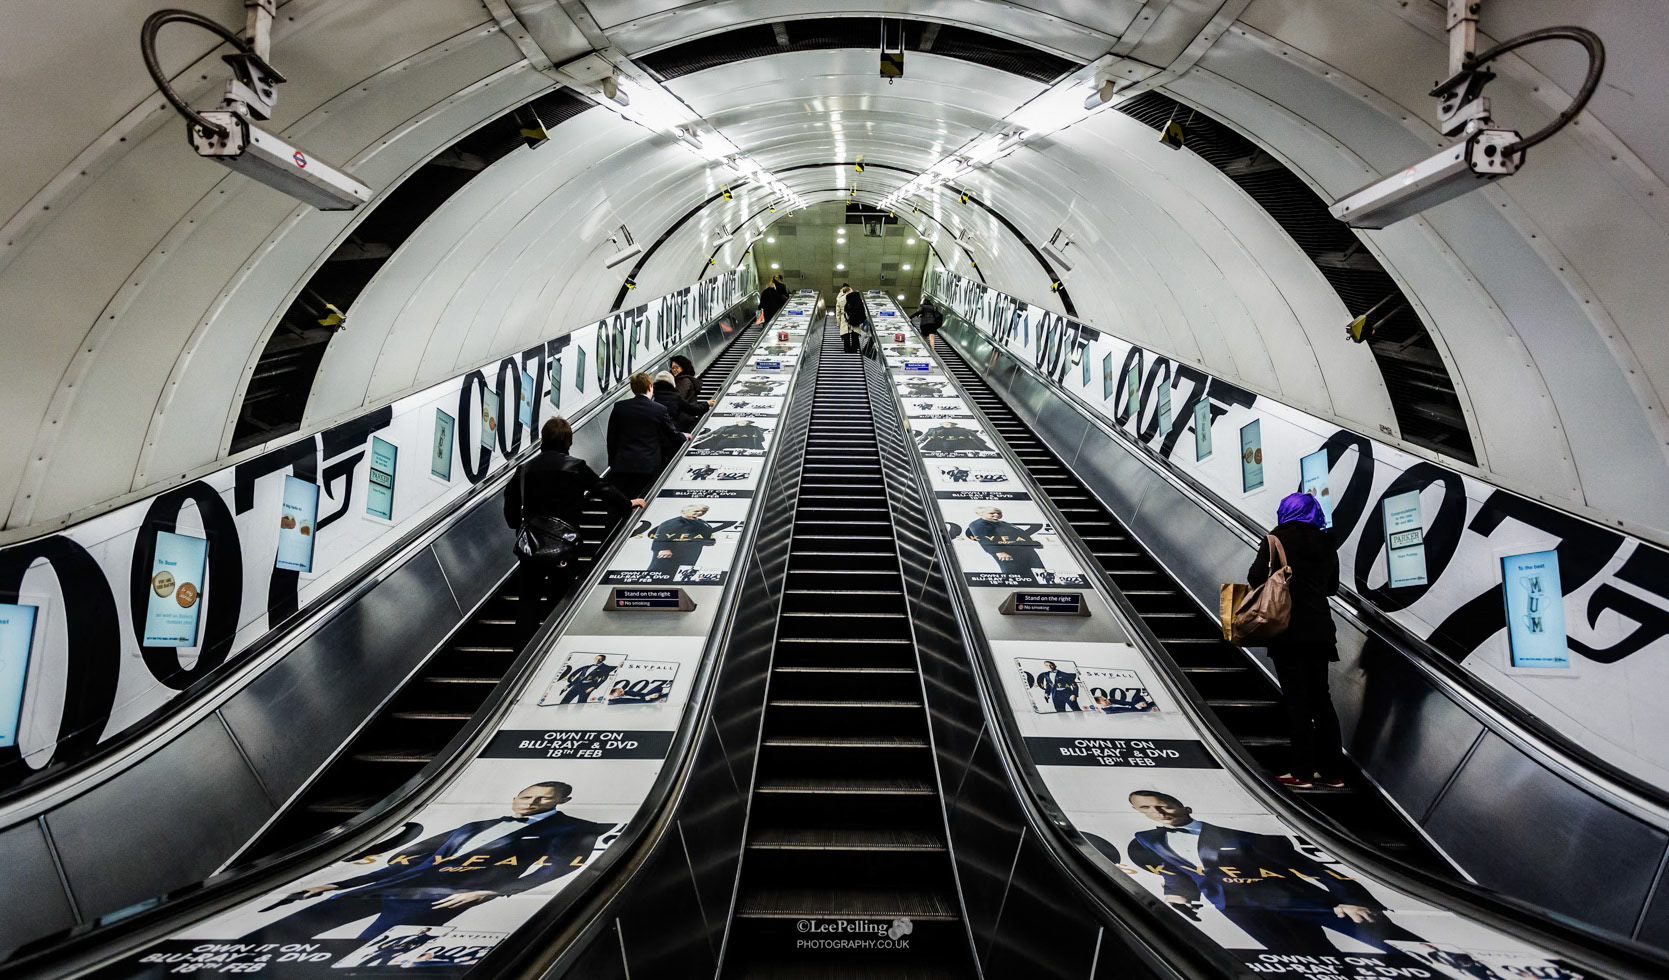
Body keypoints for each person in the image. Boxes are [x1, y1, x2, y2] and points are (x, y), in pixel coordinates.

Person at [250, 782, 610, 942]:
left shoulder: (573, 828)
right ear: (516, 796)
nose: (531, 804)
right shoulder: (475, 825)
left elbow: (560, 866)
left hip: (443, 895)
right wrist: (339, 883)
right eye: (527, 797)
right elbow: (410, 859)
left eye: (542, 800)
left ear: (560, 801)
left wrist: (494, 891)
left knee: (368, 951)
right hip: (386, 886)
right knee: (281, 933)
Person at [1126, 790, 1424, 958]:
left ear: (1184, 805)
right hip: (1238, 909)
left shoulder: (1242, 835)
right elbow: (1178, 869)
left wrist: (1352, 898)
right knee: (1308, 961)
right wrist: (1177, 895)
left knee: (1404, 948)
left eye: (1164, 804)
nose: (1159, 811)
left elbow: (1311, 867)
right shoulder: (1147, 838)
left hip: (1298, 899)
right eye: (1148, 808)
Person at [505, 417, 642, 632]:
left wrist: (517, 525)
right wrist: (627, 503)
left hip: (531, 547)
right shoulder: (575, 467)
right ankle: (553, 643)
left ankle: (522, 651)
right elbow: (602, 489)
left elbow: (511, 507)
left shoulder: (524, 469)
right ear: (568, 441)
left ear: (543, 439)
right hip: (564, 546)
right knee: (560, 598)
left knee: (528, 602)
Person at [1248, 492, 1345, 790]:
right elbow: (1332, 586)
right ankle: (1332, 773)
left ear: (1284, 511)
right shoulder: (1327, 542)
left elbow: (1255, 577)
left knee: (1297, 701)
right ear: (1313, 512)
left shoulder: (1275, 540)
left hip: (1287, 630)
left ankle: (1301, 773)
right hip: (1320, 632)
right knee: (1322, 701)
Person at [607, 372, 688, 498]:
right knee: (642, 499)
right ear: (651, 386)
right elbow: (672, 434)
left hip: (622, 465)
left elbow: (611, 438)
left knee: (620, 501)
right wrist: (684, 436)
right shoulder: (659, 409)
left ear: (633, 389)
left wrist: (613, 462)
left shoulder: (620, 407)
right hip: (647, 466)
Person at [966, 505, 1045, 577]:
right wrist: (999, 552)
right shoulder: (978, 524)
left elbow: (1019, 534)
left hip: (1026, 552)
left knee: (1040, 574)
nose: (996, 515)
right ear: (981, 514)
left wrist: (1032, 543)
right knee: (1015, 575)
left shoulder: (1003, 523)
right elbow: (984, 538)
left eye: (999, 513)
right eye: (992, 513)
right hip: (1008, 553)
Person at [647, 502, 717, 574]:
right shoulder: (673, 523)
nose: (700, 513)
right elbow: (661, 535)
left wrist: (709, 540)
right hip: (671, 552)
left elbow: (707, 533)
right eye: (696, 511)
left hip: (691, 551)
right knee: (662, 569)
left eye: (703, 511)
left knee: (683, 569)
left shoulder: (702, 523)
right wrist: (663, 548)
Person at [669, 355, 714, 419]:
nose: (674, 370)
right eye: (672, 368)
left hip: (682, 419)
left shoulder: (683, 380)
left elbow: (677, 400)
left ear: (683, 367)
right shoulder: (680, 380)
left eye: (676, 367)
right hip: (686, 417)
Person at [693, 418, 767, 453]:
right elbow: (711, 434)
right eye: (743, 422)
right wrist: (700, 438)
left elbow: (761, 437)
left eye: (746, 422)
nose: (744, 423)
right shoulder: (726, 428)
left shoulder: (755, 429)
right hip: (725, 442)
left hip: (746, 444)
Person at [917, 421, 992, 455]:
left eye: (951, 424)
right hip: (941, 443)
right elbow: (926, 436)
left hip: (959, 443)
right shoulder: (935, 429)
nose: (949, 425)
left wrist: (980, 442)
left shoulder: (961, 429)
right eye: (947, 424)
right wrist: (919, 442)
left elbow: (973, 435)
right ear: (943, 424)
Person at [842, 287, 868, 354]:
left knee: (846, 336)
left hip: (849, 322)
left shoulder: (846, 301)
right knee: (855, 336)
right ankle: (854, 350)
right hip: (858, 322)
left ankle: (847, 351)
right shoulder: (860, 301)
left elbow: (845, 312)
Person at [835, 283, 860, 353]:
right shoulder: (856, 296)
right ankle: (854, 350)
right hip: (855, 317)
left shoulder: (840, 299)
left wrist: (838, 323)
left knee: (846, 334)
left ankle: (847, 350)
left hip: (844, 317)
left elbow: (838, 313)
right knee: (855, 333)